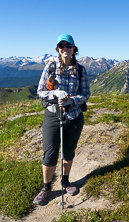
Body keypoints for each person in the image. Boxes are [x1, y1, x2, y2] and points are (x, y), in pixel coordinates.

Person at [33, 34, 90, 205]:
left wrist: (72, 100)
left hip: (73, 115)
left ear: (74, 49)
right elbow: (40, 91)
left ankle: (65, 182)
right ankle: (46, 188)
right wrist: (54, 93)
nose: (65, 49)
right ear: (58, 49)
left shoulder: (80, 70)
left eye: (69, 46)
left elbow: (86, 94)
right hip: (53, 113)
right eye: (62, 46)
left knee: (68, 152)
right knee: (49, 153)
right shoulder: (51, 68)